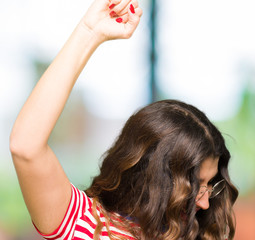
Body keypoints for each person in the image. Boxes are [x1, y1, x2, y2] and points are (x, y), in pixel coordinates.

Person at [9, 0, 238, 239]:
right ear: (153, 176)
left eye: (210, 186)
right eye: (194, 185)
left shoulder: (193, 232)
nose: (204, 204)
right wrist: (90, 32)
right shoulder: (90, 224)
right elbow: (26, 146)